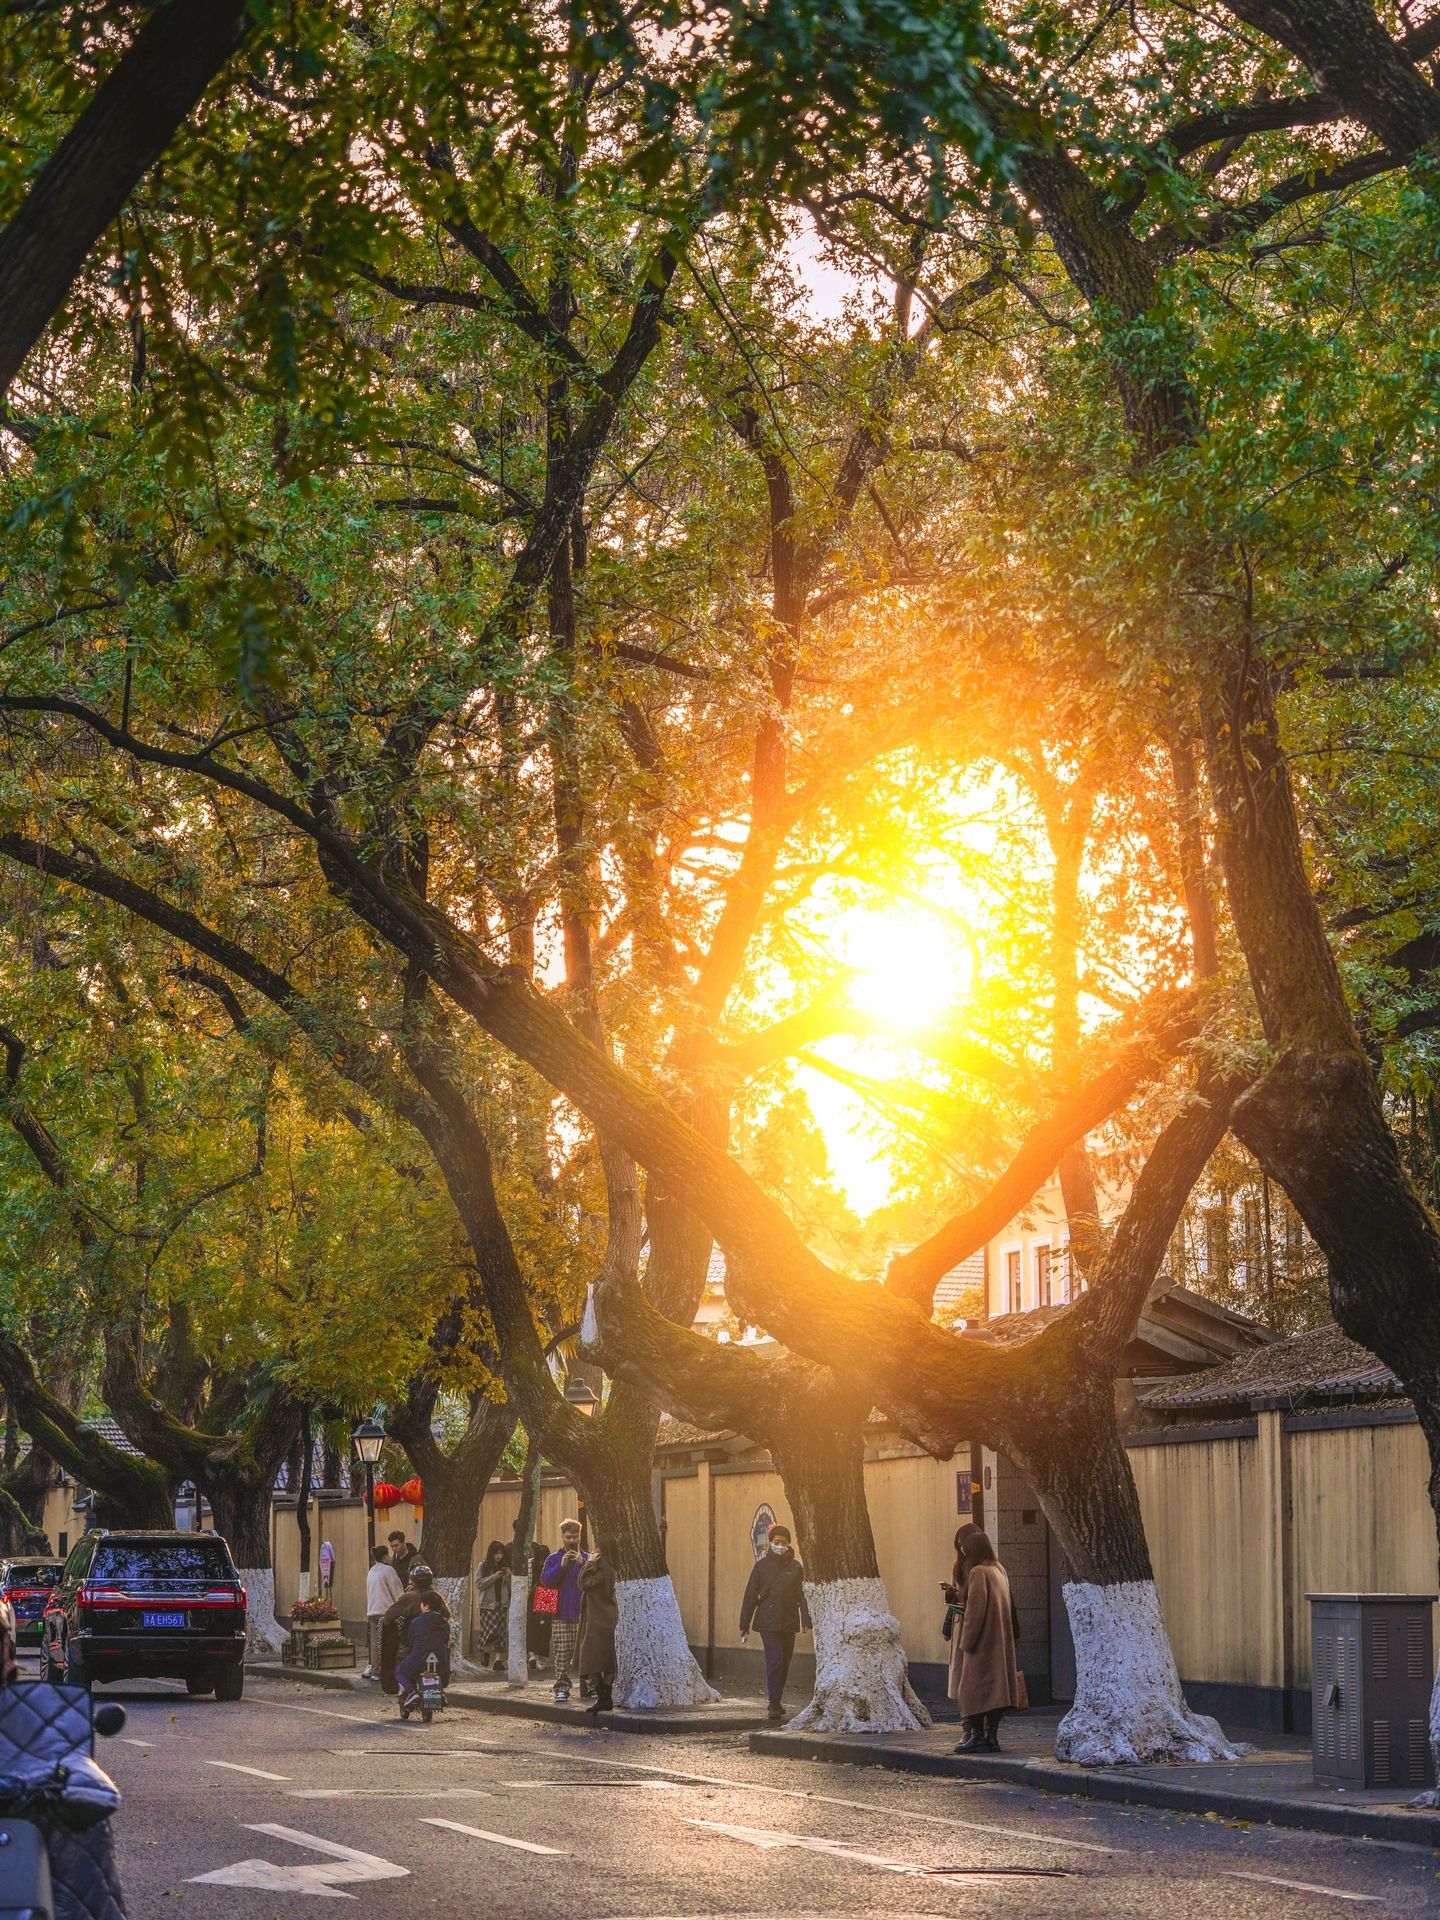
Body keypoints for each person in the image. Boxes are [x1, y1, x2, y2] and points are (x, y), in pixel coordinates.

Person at [946, 1523, 1020, 1753]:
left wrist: (965, 1642)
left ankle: (976, 1736)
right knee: (996, 1691)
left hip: (981, 1642)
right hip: (999, 1640)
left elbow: (975, 1612)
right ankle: (991, 1737)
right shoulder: (998, 1569)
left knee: (973, 1689)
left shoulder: (978, 1573)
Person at [739, 1521, 811, 1723]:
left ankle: (777, 1701)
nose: (780, 1545)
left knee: (785, 1662)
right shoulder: (761, 1567)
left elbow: (802, 1595)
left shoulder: (796, 1568)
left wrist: (806, 1618)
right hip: (767, 1622)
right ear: (771, 1542)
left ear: (789, 1544)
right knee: (775, 1660)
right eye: (777, 1542)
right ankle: (773, 1702)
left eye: (784, 1542)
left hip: (789, 1622)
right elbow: (750, 1596)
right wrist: (744, 1625)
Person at [380, 1563, 450, 1694]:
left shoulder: (408, 1597)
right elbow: (447, 1615)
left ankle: (407, 1691)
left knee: (400, 1658)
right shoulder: (436, 1596)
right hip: (436, 1643)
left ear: (413, 1580)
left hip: (411, 1641)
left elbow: (388, 1616)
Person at [540, 1518, 586, 1702]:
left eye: (575, 1537)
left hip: (583, 1614)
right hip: (560, 1614)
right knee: (562, 1654)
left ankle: (589, 1686)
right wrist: (562, 1566)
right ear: (562, 1537)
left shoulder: (587, 1558)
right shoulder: (553, 1559)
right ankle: (562, 1688)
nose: (572, 1541)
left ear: (580, 1536)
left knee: (587, 1654)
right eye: (568, 1537)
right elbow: (546, 1581)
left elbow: (592, 1582)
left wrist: (583, 1564)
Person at [577, 1544, 618, 1716]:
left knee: (588, 1658)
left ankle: (603, 1696)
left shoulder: (602, 1567)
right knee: (608, 1659)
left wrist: (589, 1563)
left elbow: (583, 1583)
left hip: (599, 1619)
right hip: (607, 1617)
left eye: (597, 1547)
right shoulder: (613, 1565)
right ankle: (605, 1697)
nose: (594, 1550)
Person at [396, 1592, 451, 1717]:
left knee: (399, 1671)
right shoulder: (445, 1623)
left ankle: (411, 1692)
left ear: (425, 1606)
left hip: (419, 1659)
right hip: (441, 1663)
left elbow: (410, 1641)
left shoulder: (416, 1622)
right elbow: (446, 1642)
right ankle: (439, 1691)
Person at [364, 1543, 403, 1680]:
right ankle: (389, 1671)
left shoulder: (371, 1571)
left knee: (375, 1643)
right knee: (389, 1643)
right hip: (386, 1612)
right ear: (386, 1556)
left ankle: (375, 1672)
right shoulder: (388, 1570)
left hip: (372, 1611)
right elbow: (398, 1593)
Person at [473, 1540, 511, 1672]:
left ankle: (498, 1660)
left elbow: (510, 1586)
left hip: (502, 1603)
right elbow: (479, 1584)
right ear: (491, 1553)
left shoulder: (505, 1566)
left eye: (500, 1553)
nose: (498, 1556)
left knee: (501, 1632)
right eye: (496, 1553)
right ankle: (486, 1651)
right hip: (488, 1604)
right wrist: (494, 1576)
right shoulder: (483, 1566)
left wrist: (507, 1576)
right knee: (490, 1629)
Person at [527, 1539, 552, 1670]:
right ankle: (541, 1658)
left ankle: (532, 1655)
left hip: (533, 1595)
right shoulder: (551, 1563)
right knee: (544, 1628)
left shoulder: (530, 1564)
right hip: (547, 1594)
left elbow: (528, 1582)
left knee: (532, 1627)